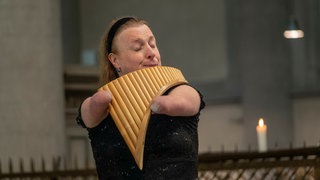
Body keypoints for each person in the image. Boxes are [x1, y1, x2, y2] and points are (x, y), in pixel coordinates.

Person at [76, 16, 205, 179]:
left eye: (153, 44)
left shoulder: (181, 90)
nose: (151, 53)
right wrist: (99, 102)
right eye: (138, 48)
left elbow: (185, 102)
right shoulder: (104, 104)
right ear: (115, 60)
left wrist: (163, 104)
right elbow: (90, 109)